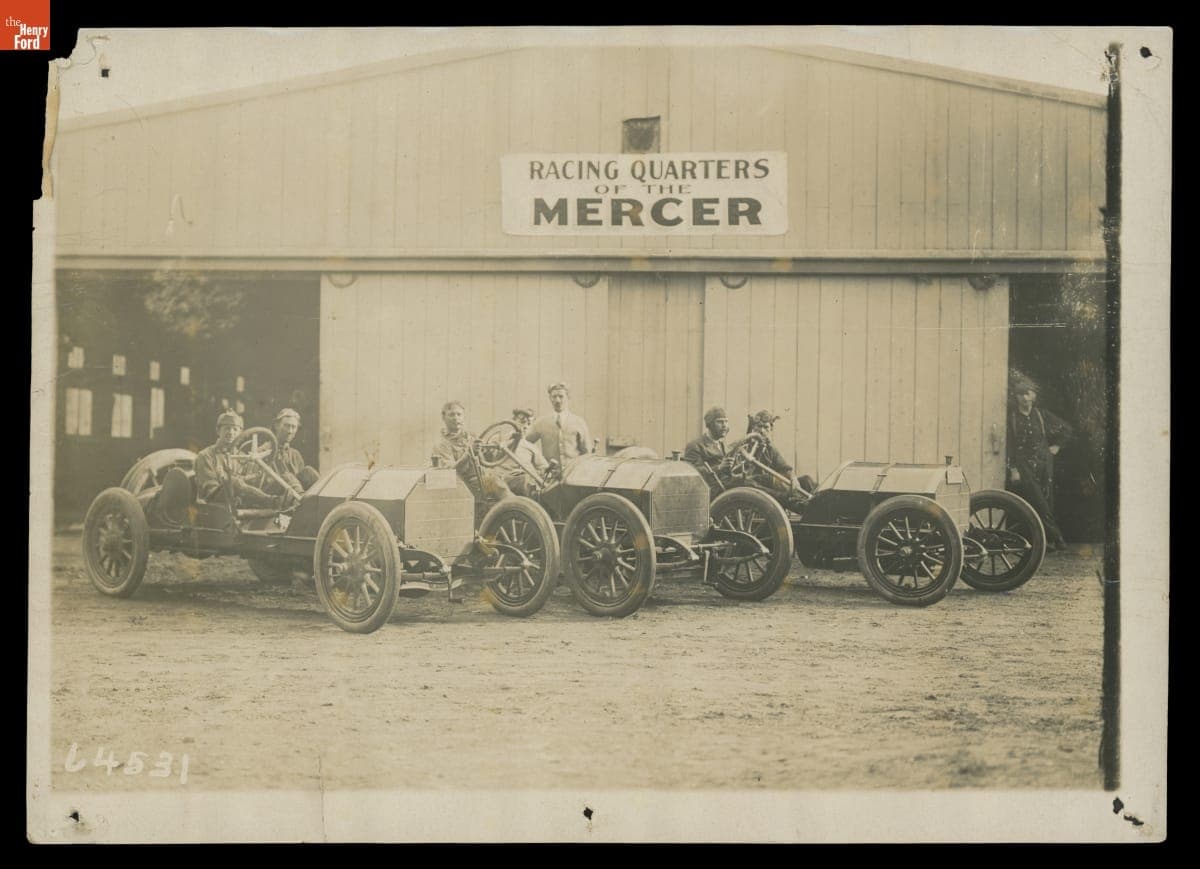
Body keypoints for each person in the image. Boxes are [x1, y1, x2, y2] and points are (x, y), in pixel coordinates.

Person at [1007, 375, 1072, 552]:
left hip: (1044, 463)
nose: (1023, 398)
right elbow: (1010, 445)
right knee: (1038, 500)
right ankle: (1058, 538)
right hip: (1024, 466)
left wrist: (1057, 446)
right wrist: (1013, 469)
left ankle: (1046, 542)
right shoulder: (1012, 418)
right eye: (1020, 394)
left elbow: (1066, 429)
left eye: (1027, 394)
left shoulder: (1041, 415)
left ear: (1033, 396)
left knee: (1046, 501)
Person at [724, 410, 817, 510]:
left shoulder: (769, 448)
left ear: (770, 429)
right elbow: (733, 473)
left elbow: (785, 468)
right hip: (753, 487)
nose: (762, 430)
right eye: (759, 426)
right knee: (753, 482)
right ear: (753, 427)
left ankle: (816, 501)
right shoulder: (742, 447)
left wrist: (793, 478)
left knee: (807, 481)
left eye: (766, 427)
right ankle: (796, 503)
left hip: (768, 485)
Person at [194, 410, 282, 509]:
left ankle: (294, 502)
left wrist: (260, 474)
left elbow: (251, 482)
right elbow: (209, 489)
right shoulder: (206, 455)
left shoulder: (242, 456)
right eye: (227, 428)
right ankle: (272, 502)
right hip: (213, 503)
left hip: (238, 499)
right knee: (234, 482)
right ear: (218, 431)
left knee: (283, 477)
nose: (231, 432)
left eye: (235, 429)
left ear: (240, 433)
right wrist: (233, 485)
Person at [431, 400, 510, 506]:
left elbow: (485, 460)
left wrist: (495, 448)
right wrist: (469, 453)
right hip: (463, 485)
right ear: (443, 417)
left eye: (459, 414)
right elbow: (450, 472)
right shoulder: (441, 444)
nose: (456, 418)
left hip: (482, 478)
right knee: (495, 483)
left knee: (514, 481)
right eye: (451, 415)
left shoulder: (470, 436)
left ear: (463, 417)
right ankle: (517, 510)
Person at [526, 382, 593, 467]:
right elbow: (524, 443)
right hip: (550, 476)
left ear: (568, 398)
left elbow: (587, 454)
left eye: (561, 396)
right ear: (550, 398)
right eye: (554, 397)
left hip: (573, 474)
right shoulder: (541, 422)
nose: (557, 400)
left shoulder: (579, 422)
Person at [264, 408, 320, 497]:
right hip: (271, 494)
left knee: (309, 472)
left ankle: (324, 499)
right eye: (286, 426)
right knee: (287, 476)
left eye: (293, 427)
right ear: (276, 425)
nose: (290, 431)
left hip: (291, 492)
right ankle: (303, 502)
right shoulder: (264, 451)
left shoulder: (295, 455)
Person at [498, 407, 550, 497]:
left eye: (529, 423)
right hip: (505, 482)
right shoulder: (501, 440)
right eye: (522, 421)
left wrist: (547, 472)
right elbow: (488, 458)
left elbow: (544, 468)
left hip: (528, 482)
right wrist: (508, 441)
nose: (526, 426)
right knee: (525, 480)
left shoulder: (530, 447)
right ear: (513, 421)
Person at [683, 406, 731, 495]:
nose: (724, 425)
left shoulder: (722, 444)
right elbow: (693, 474)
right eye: (720, 422)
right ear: (709, 425)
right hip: (708, 492)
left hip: (723, 487)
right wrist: (719, 467)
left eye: (726, 421)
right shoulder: (695, 445)